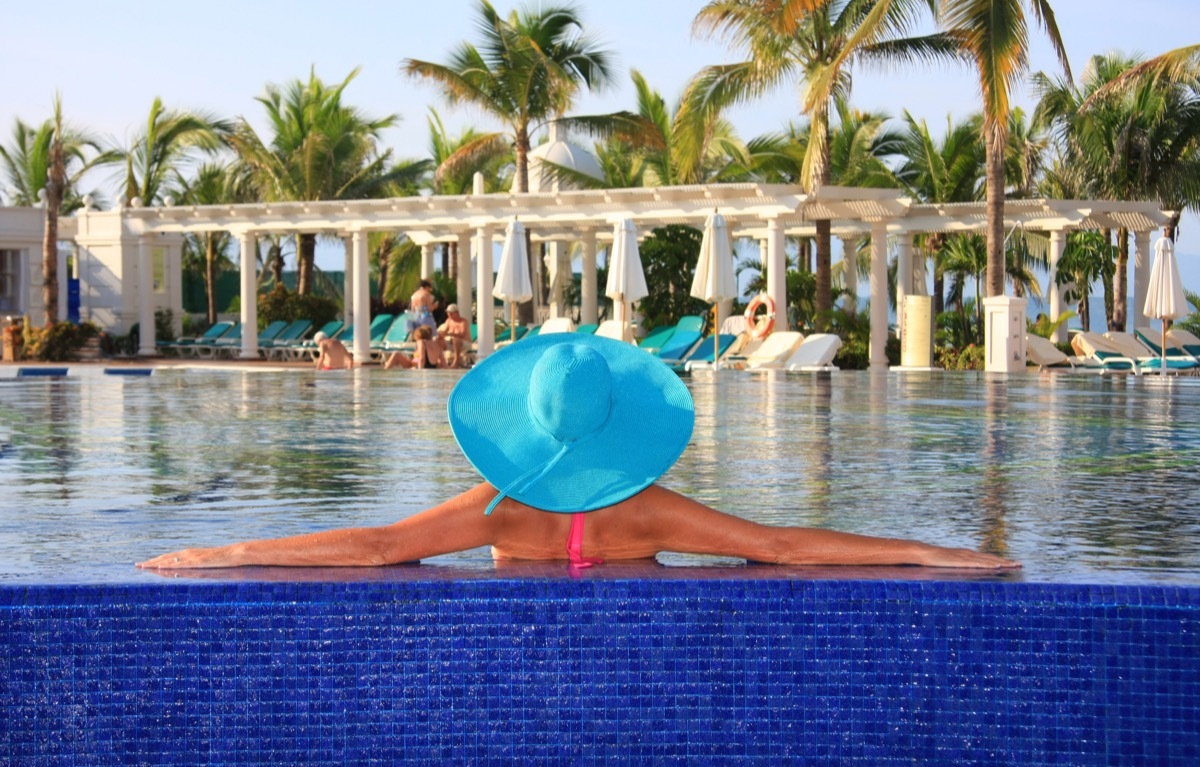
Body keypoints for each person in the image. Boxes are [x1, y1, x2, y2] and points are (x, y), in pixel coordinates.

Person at [140, 334, 1019, 572]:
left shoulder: (503, 507)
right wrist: (923, 549)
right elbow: (781, 545)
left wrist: (225, 551)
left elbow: (374, 547)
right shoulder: (644, 509)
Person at [438, 303, 472, 368]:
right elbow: (445, 331)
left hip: (464, 343)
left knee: (456, 340)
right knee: (438, 340)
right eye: (448, 313)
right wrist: (440, 333)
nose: (449, 314)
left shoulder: (463, 321)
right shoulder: (448, 321)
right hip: (452, 342)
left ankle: (456, 361)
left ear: (456, 313)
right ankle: (441, 362)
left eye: (451, 313)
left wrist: (449, 333)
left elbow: (462, 334)